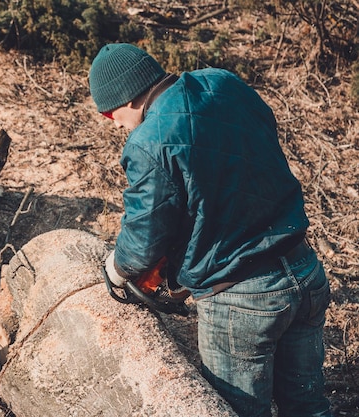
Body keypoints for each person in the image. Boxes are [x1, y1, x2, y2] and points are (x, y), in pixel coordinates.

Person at [90, 43, 332, 417]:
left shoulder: (148, 140)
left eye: (110, 116)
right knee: (308, 407)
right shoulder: (224, 83)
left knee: (236, 411)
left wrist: (116, 269)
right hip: (304, 270)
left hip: (241, 300)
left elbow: (143, 236)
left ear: (118, 103)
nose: (116, 124)